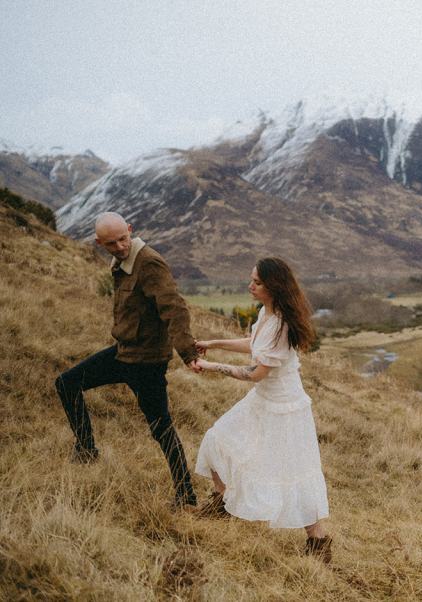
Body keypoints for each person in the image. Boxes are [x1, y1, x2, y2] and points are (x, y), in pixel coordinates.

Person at [55, 212, 201, 507]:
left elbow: (174, 308)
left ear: (130, 230)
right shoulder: (120, 263)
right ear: (100, 243)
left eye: (123, 239)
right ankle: (87, 449)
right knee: (66, 383)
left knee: (161, 428)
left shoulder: (148, 262)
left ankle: (185, 495)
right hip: (123, 353)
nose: (120, 246)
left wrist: (188, 353)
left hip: (147, 361)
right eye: (111, 243)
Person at [192, 257, 331, 563]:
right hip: (262, 400)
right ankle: (222, 502)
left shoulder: (281, 325)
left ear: (274, 286)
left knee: (294, 473)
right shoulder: (266, 313)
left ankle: (318, 542)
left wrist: (211, 366)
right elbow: (254, 343)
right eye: (252, 280)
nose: (250, 286)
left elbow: (255, 373)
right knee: (216, 438)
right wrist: (212, 343)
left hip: (284, 407)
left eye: (257, 282)